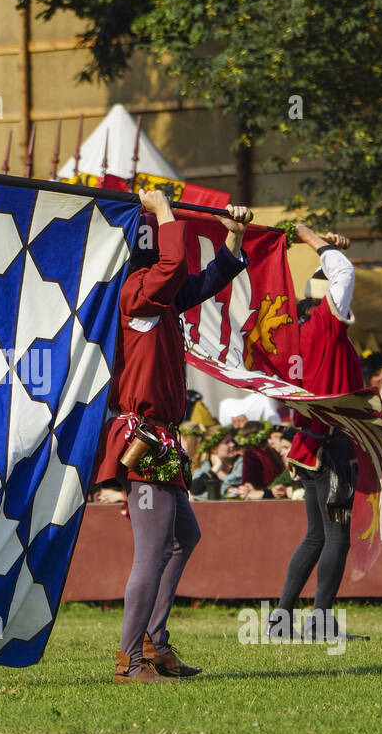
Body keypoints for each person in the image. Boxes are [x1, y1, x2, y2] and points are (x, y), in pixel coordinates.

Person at [96, 192, 251, 682]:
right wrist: (165, 211)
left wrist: (236, 235)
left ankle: (154, 643)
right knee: (153, 550)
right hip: (142, 437)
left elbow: (207, 277)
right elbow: (177, 261)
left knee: (184, 536)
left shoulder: (157, 295)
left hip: (162, 438)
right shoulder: (136, 292)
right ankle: (129, 661)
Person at [271, 224, 362, 641]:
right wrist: (309, 234)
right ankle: (321, 623)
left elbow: (337, 270)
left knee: (315, 535)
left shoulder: (294, 335)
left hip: (307, 447)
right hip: (332, 447)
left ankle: (280, 621)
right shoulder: (327, 324)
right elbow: (343, 273)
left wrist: (329, 247)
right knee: (337, 537)